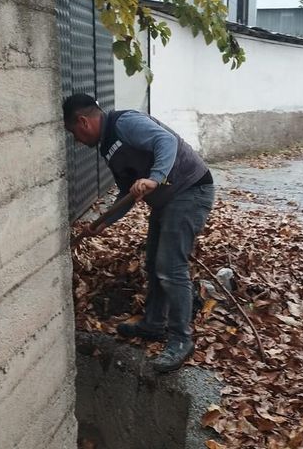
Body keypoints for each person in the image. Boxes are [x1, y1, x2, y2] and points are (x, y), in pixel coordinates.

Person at [63, 93, 215, 373]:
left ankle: (181, 340)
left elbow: (166, 141)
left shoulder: (125, 123)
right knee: (154, 262)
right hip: (167, 200)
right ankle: (154, 324)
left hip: (190, 190)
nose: (76, 140)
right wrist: (104, 222)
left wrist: (155, 177)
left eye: (74, 133)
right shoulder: (108, 145)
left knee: (171, 266)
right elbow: (127, 192)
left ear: (83, 122)